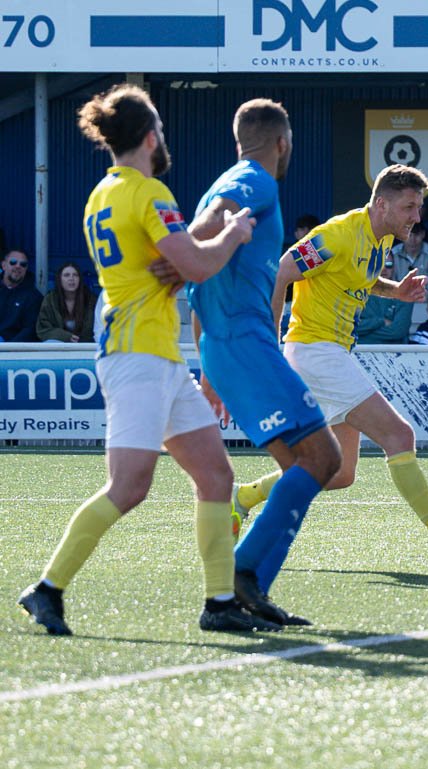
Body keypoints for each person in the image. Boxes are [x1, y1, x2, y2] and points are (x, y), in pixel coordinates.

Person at [19, 84, 274, 636]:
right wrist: (233, 233)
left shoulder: (100, 193)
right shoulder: (148, 190)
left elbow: (165, 264)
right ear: (152, 136)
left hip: (150, 352)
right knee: (129, 486)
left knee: (215, 474)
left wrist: (185, 257)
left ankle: (219, 601)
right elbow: (197, 265)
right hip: (139, 355)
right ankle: (46, 588)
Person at [232, 164, 428, 574]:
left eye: (419, 207)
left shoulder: (380, 240)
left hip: (330, 353)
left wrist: (397, 291)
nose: (417, 216)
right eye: (410, 206)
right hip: (316, 352)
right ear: (381, 203)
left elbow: (360, 279)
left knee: (338, 474)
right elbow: (283, 270)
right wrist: (270, 335)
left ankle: (244, 498)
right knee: (400, 434)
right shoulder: (338, 234)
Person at [168, 98, 346, 626]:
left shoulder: (229, 175)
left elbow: (206, 277)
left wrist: (208, 367)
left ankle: (247, 593)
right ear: (282, 144)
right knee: (324, 458)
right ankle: (238, 576)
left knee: (302, 465)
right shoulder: (256, 180)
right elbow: (212, 223)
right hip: (246, 345)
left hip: (223, 348)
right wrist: (179, 255)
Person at [352, 260, 415, 344]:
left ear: (394, 267)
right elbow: (350, 327)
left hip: (396, 353)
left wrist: (363, 334)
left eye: (388, 264)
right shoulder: (356, 292)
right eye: (378, 263)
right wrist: (381, 321)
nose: (383, 269)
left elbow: (397, 331)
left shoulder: (406, 292)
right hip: (360, 352)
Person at [36, 263, 97, 343]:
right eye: (66, 275)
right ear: (59, 279)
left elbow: (97, 328)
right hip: (58, 345)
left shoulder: (91, 300)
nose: (71, 278)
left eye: (75, 275)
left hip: (86, 346)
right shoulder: (50, 299)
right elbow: (43, 329)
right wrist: (65, 336)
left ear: (80, 279)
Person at [0, 249, 42, 341]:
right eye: (13, 262)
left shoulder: (34, 297)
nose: (18, 266)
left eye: (23, 264)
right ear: (3, 265)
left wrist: (9, 348)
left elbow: (30, 329)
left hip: (14, 349)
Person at [389, 219, 428, 289]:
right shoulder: (392, 254)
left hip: (424, 298)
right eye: (409, 235)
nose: (412, 240)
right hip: (396, 298)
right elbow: (389, 283)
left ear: (423, 234)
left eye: (416, 235)